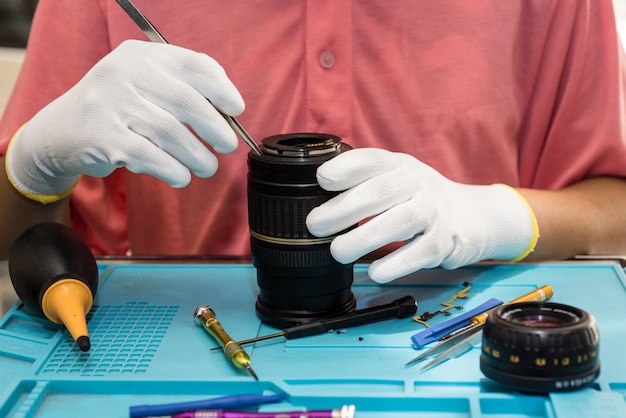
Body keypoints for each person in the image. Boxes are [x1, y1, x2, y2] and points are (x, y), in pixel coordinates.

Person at [1, 0, 626, 284]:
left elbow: (614, 212)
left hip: (452, 340)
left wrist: (493, 218)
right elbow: (11, 241)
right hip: (192, 346)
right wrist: (36, 163)